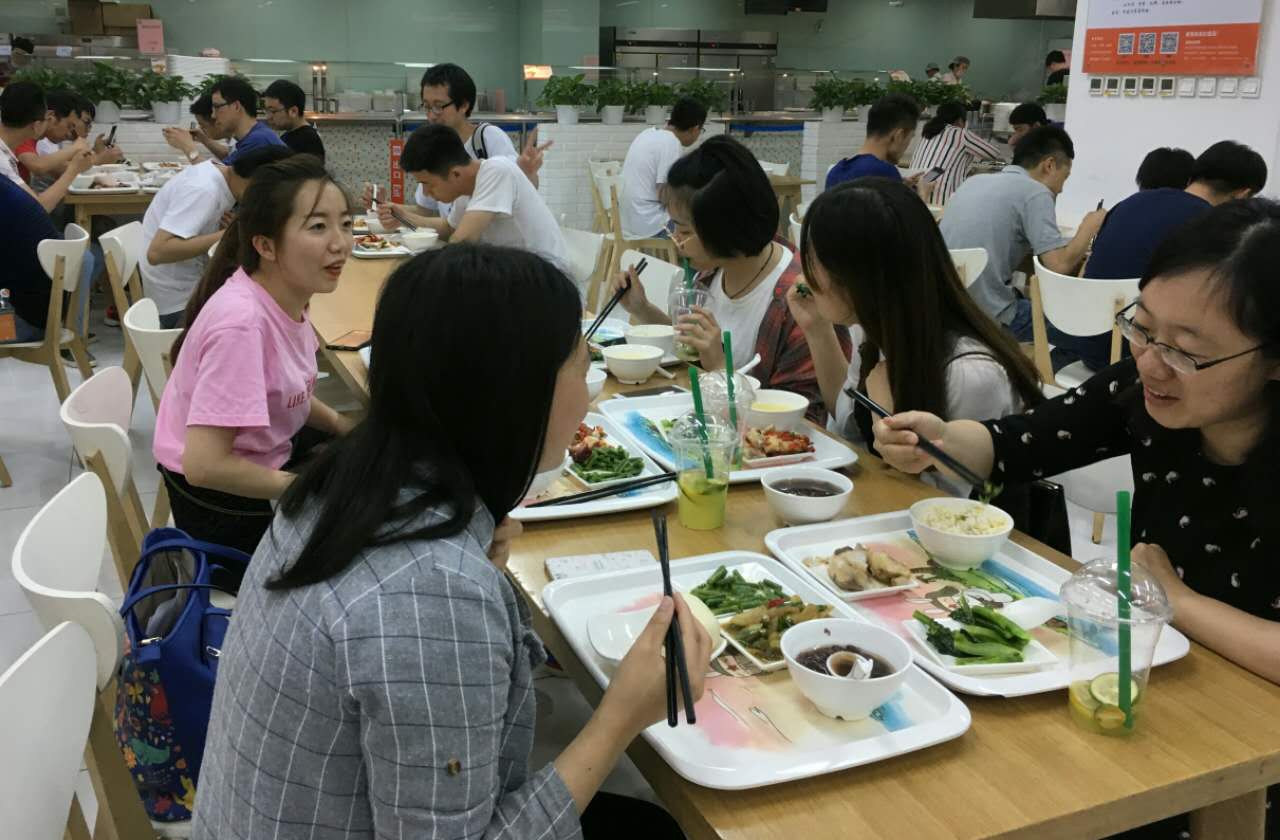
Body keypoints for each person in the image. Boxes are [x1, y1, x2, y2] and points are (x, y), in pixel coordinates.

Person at [190, 244, 710, 840]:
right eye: (579, 359)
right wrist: (620, 716)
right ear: (516, 393)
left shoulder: (341, 484)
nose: (588, 387)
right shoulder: (432, 593)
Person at [873, 201, 1280, 840]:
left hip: (1252, 750)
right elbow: (1018, 444)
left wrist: (1175, 600)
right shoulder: (1142, 393)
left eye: (1187, 351)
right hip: (1156, 684)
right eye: (1143, 327)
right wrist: (941, 439)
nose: (1150, 362)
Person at [152, 155, 356, 555]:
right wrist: (308, 490)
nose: (340, 243)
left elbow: (287, 391)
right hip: (221, 503)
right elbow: (204, 467)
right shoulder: (242, 325)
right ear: (265, 245)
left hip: (261, 456)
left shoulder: (284, 296)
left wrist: (341, 424)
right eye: (318, 226)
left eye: (346, 224)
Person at [786, 178, 1042, 496]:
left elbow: (951, 505)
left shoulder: (970, 373)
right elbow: (847, 428)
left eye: (813, 262)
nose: (805, 273)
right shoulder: (872, 327)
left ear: (856, 278)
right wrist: (817, 330)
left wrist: (885, 410)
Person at [613, 135, 847, 422]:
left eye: (684, 231)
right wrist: (642, 309)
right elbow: (691, 349)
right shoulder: (712, 273)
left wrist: (719, 366)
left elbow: (800, 419)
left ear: (724, 228)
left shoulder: (800, 299)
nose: (676, 240)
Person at [1049, 141, 1268, 372]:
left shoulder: (1128, 203)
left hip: (1085, 341)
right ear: (1243, 195)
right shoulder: (1211, 224)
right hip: (1137, 357)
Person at [941, 125, 1106, 342]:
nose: (1061, 189)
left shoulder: (973, 182)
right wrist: (1089, 227)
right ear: (1049, 165)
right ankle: (1031, 366)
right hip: (987, 317)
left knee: (1026, 296)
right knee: (1088, 330)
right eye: (1064, 178)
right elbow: (1059, 266)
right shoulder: (1036, 192)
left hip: (944, 309)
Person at [372, 63, 550, 226]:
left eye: (439, 106)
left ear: (464, 105)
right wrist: (385, 208)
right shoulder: (435, 146)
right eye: (426, 106)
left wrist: (528, 172)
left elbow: (523, 187)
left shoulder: (488, 138)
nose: (432, 115)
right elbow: (426, 210)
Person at [140, 145, 295, 329]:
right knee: (263, 318)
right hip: (178, 303)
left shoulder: (217, 174)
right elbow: (157, 252)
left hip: (184, 288)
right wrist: (228, 234)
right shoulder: (205, 190)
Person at [397, 123, 570, 273]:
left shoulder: (496, 171)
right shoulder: (466, 186)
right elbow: (449, 228)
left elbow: (461, 242)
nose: (426, 193)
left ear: (455, 174)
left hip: (545, 281)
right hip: (515, 274)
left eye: (427, 183)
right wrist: (401, 217)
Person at [619, 95, 706, 238]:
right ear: (695, 129)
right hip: (648, 224)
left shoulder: (648, 133)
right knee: (702, 222)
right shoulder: (671, 143)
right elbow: (664, 195)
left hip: (627, 219)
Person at [0, 81, 93, 212]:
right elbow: (38, 209)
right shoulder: (3, 160)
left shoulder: (9, 146)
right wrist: (73, 169)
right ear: (42, 121)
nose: (69, 133)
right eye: (69, 126)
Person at [14, 89, 123, 187]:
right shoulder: (25, 134)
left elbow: (58, 165)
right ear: (50, 117)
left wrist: (94, 153)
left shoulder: (39, 138)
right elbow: (42, 167)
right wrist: (97, 159)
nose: (70, 130)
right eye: (70, 125)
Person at [910, 101, 1005, 205]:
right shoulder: (960, 134)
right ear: (960, 120)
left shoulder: (928, 132)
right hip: (940, 200)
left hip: (915, 193)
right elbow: (994, 153)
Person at [826, 94, 921, 189]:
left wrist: (902, 189)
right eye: (910, 137)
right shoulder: (884, 172)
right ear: (898, 136)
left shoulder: (835, 172)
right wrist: (922, 193)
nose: (907, 145)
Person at [209, 77, 285, 165]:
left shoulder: (258, 140)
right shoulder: (253, 136)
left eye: (217, 107)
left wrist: (194, 151)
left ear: (236, 106)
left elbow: (221, 173)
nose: (213, 115)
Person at [262, 79, 324, 161]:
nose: (268, 117)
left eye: (273, 111)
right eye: (266, 111)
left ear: (293, 111)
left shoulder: (308, 141)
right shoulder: (288, 136)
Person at [162, 93, 236, 163]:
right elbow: (228, 156)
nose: (201, 128)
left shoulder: (242, 145)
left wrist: (187, 146)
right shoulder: (235, 140)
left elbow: (226, 170)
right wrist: (202, 138)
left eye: (203, 125)